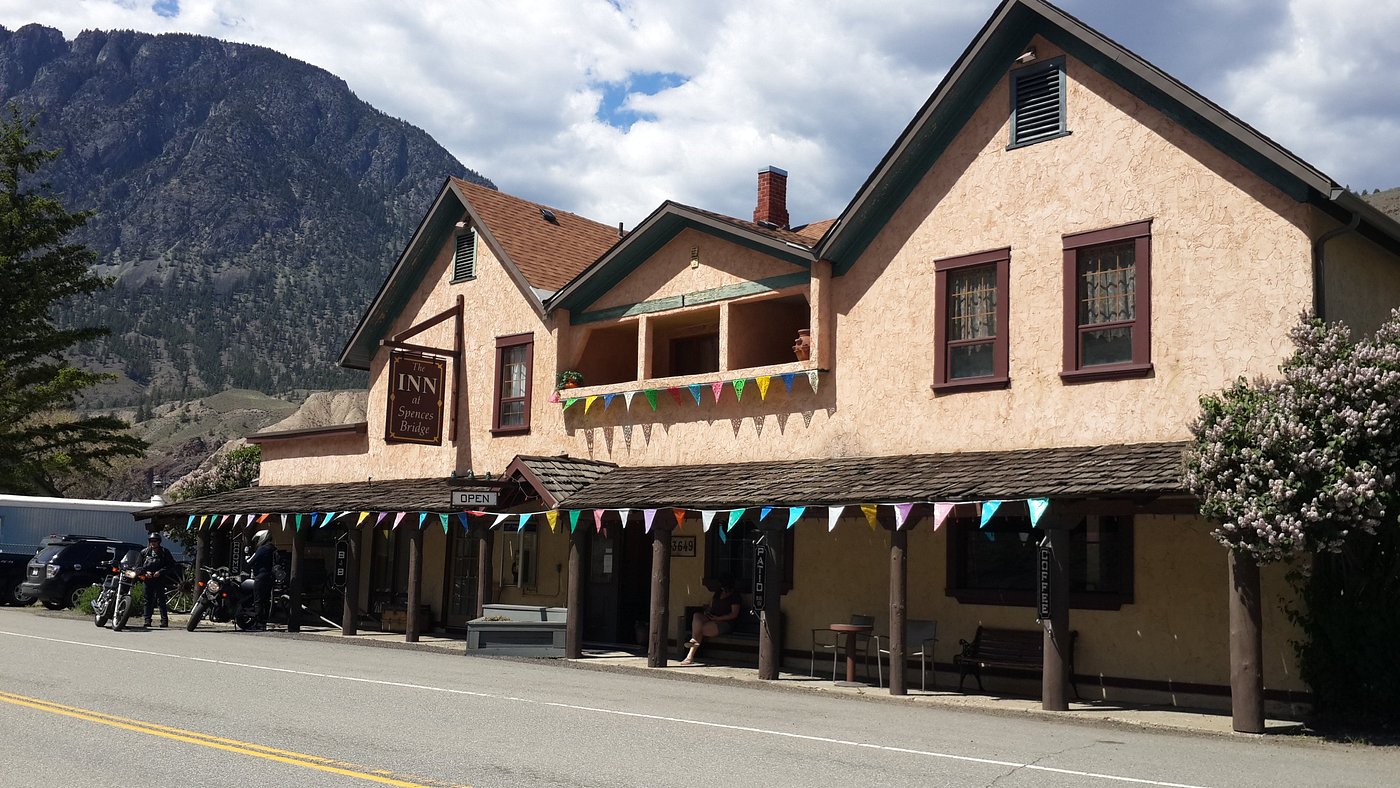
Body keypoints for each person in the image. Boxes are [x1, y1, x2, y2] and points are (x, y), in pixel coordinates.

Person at [680, 578, 742, 665]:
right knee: (697, 616)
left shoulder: (735, 596)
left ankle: (690, 655)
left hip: (725, 622)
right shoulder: (718, 593)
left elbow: (734, 614)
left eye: (725, 588)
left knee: (701, 629)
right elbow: (711, 606)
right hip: (712, 617)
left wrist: (718, 618)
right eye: (722, 588)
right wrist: (707, 612)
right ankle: (694, 640)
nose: (723, 590)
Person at [138, 533, 176, 628]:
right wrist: (145, 573)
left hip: (160, 579)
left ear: (159, 542)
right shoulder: (144, 552)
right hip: (147, 579)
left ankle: (164, 621)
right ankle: (147, 620)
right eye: (151, 541)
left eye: (155, 541)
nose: (153, 543)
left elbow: (171, 565)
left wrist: (160, 572)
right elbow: (138, 566)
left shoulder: (165, 552)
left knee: (161, 600)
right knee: (147, 600)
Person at [246, 529, 276, 630]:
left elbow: (250, 562)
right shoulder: (273, 549)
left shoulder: (262, 549)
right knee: (266, 600)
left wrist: (247, 554)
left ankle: (258, 623)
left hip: (261, 576)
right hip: (271, 576)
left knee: (258, 600)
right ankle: (264, 623)